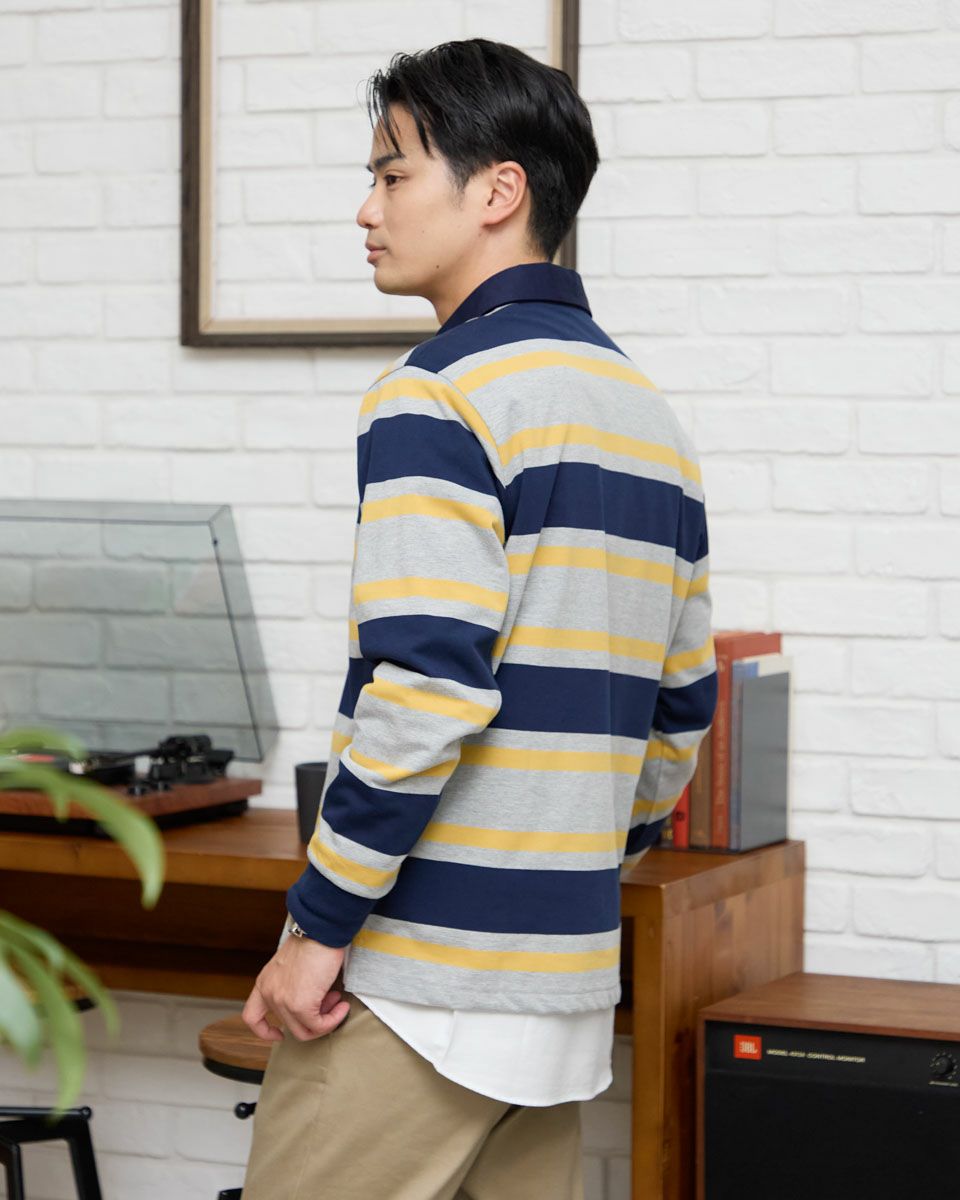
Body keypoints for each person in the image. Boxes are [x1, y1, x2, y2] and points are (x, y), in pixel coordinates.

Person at [240, 36, 718, 1200]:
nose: (367, 209)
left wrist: (316, 929)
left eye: (392, 174)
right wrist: (562, 861)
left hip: (418, 984)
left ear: (499, 190)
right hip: (560, 997)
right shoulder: (648, 419)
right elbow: (680, 714)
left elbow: (423, 693)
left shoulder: (436, 394)